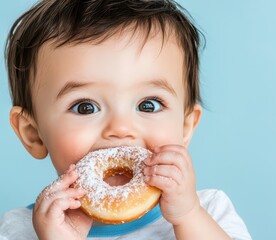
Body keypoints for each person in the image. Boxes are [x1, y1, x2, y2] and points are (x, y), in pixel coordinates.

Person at [0, 0, 251, 239]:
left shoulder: (210, 212)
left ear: (185, 127)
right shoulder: (16, 230)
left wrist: (188, 216)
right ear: (33, 133)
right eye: (85, 107)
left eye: (148, 105)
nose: (120, 128)